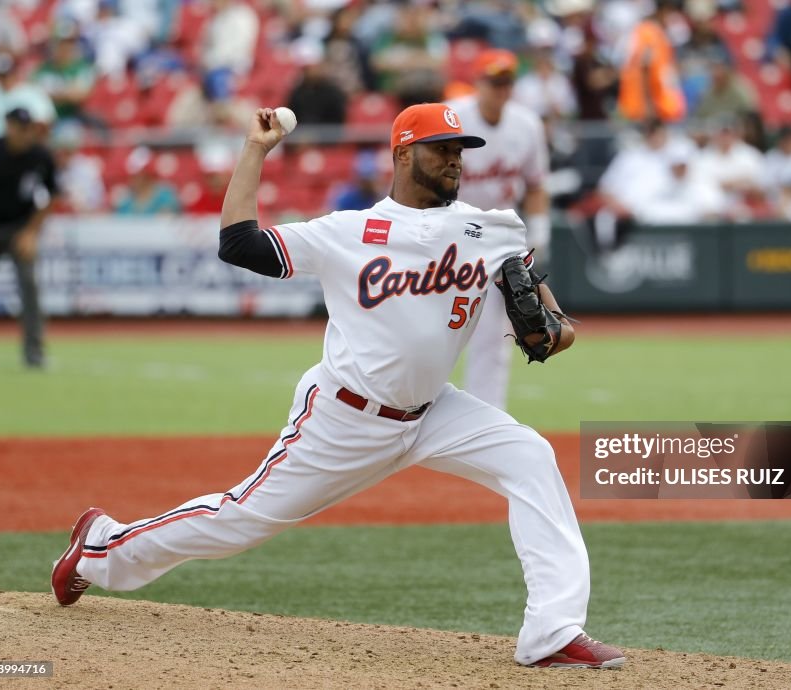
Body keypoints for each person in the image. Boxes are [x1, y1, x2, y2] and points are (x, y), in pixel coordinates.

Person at [50, 102, 625, 670]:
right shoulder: (346, 232)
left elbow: (553, 327)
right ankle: (102, 545)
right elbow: (238, 243)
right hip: (345, 417)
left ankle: (552, 631)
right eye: (441, 149)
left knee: (530, 457)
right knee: (239, 521)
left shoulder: (490, 229)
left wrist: (555, 332)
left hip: (434, 412)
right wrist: (255, 150)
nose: (455, 160)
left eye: (459, 150)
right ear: (403, 153)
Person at [446, 49, 551, 411]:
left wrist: (538, 232)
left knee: (494, 336)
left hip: (498, 243)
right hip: (451, 235)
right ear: (478, 82)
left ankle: (485, 414)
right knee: (433, 329)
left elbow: (536, 185)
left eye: (507, 82)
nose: (501, 90)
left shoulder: (527, 125)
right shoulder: (453, 116)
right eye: (495, 82)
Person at [0, 107, 58, 368]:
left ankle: (34, 354)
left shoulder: (40, 155)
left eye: (25, 128)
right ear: (7, 127)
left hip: (19, 229)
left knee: (30, 287)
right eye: (16, 127)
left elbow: (53, 195)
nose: (20, 133)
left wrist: (31, 232)